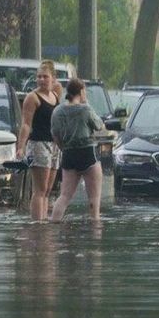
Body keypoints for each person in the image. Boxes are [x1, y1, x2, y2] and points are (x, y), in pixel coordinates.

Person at [50, 78, 105, 221]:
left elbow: (55, 135)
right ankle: (95, 233)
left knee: (64, 196)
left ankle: (53, 225)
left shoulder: (57, 111)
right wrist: (86, 102)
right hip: (88, 154)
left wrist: (65, 149)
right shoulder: (85, 109)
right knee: (94, 198)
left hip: (68, 154)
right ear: (81, 91)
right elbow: (99, 125)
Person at [16, 60, 62, 220]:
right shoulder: (32, 97)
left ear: (53, 78)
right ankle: (37, 225)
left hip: (54, 145)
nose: (41, 80)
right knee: (40, 189)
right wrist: (20, 147)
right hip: (38, 144)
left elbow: (59, 88)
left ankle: (43, 221)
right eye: (39, 77)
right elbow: (26, 124)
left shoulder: (55, 96)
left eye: (45, 77)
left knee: (49, 189)